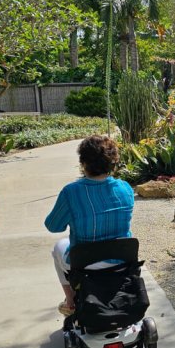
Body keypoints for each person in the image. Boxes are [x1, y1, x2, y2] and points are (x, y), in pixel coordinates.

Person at [45, 135, 134, 316]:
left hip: (86, 263)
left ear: (83, 163)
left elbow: (53, 226)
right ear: (113, 162)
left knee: (58, 247)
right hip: (121, 260)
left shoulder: (72, 192)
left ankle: (70, 301)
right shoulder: (125, 188)